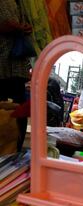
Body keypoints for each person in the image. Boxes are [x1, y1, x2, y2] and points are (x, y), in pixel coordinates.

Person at [0, 0, 32, 150]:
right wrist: (11, 27)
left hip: (18, 65)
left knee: (19, 109)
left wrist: (24, 27)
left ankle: (15, 149)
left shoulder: (21, 3)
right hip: (2, 64)